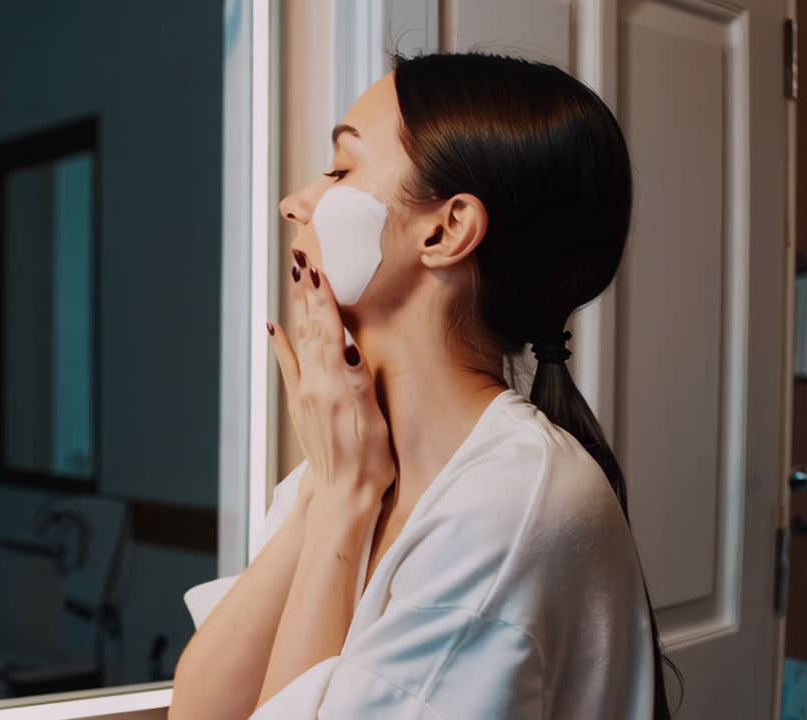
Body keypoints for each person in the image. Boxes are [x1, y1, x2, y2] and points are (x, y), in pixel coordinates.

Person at [171, 53, 676, 719]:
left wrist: (341, 502)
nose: (295, 201)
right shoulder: (345, 461)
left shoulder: (508, 507)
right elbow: (199, 712)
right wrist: (331, 493)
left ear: (446, 229)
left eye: (341, 169)